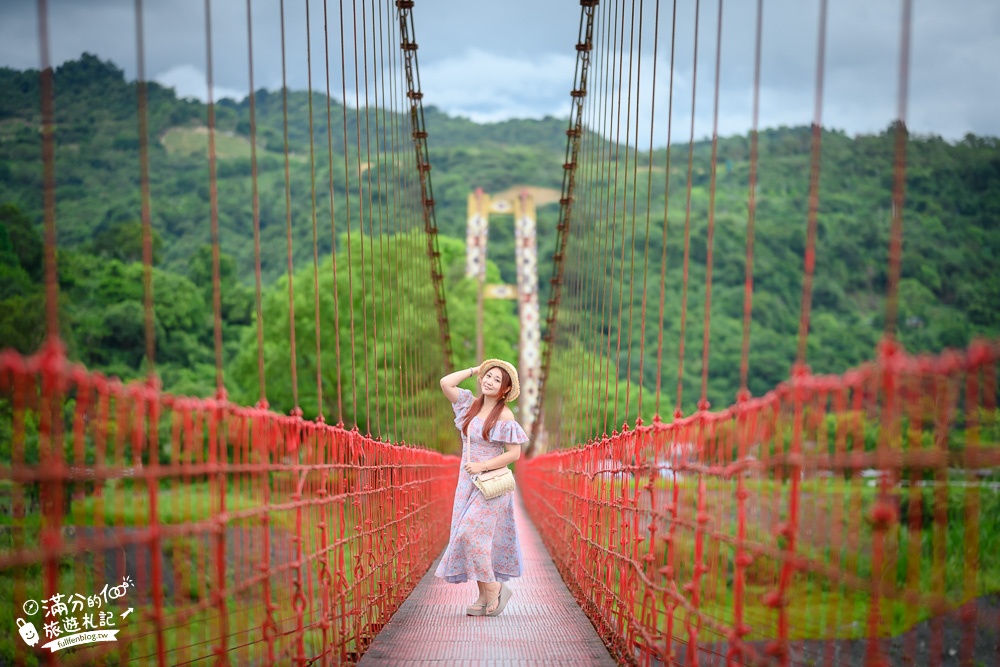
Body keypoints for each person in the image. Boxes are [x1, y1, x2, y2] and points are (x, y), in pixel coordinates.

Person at [435, 358, 528, 617]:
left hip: (492, 484)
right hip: (467, 483)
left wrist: (482, 466)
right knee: (475, 539)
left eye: (497, 380)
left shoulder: (505, 415)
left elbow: (514, 454)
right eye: (488, 376)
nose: (489, 381)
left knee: (470, 534)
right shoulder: (469, 406)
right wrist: (476, 369)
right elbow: (445, 382)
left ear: (505, 390)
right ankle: (484, 595)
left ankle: (495, 588)